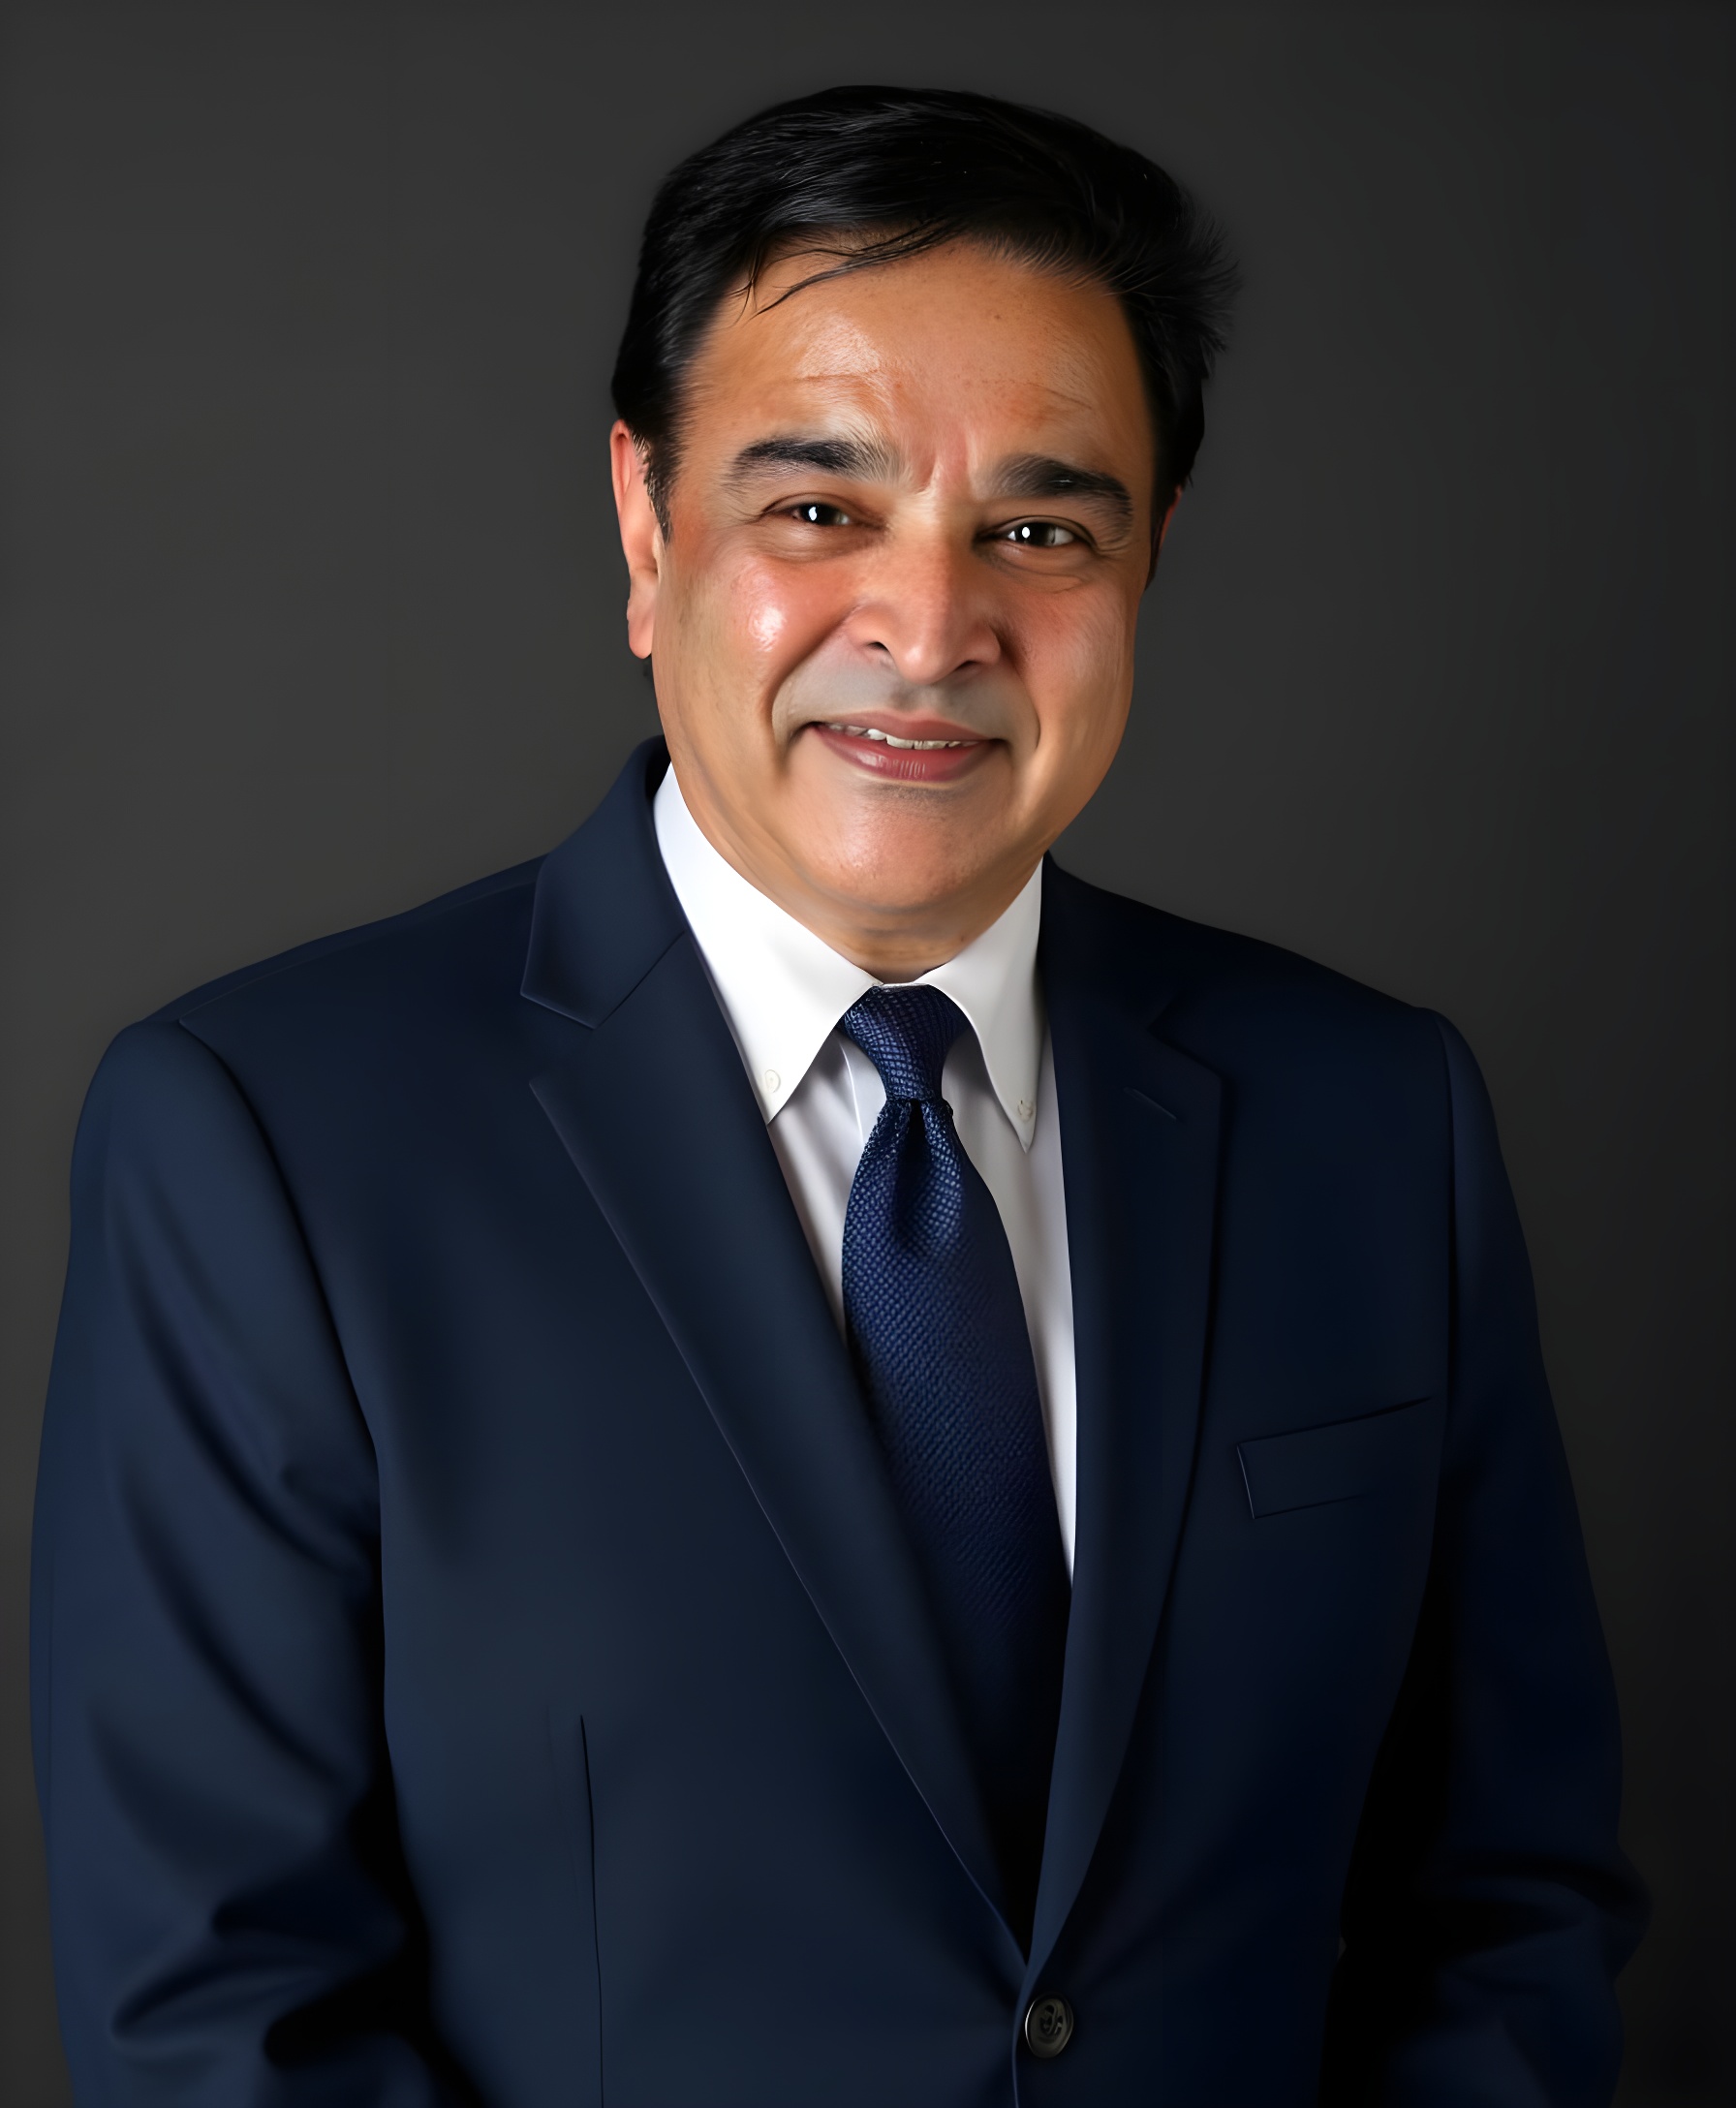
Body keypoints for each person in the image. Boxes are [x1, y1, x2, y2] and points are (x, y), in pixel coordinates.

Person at [31, 84, 1644, 2105]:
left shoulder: (1373, 1119)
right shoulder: (267, 1143)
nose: (929, 627)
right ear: (647, 525)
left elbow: (1505, 1907)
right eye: (818, 510)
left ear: (1148, 559)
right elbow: (221, 2017)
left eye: (1039, 530)